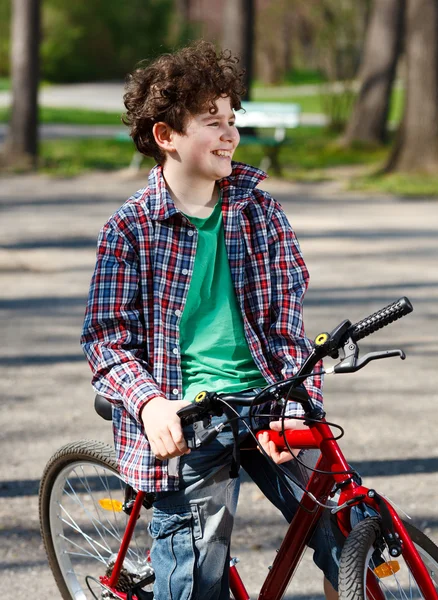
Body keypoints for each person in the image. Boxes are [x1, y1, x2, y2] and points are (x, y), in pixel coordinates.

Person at [81, 40, 340, 600]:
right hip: (186, 414)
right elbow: (106, 340)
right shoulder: (130, 229)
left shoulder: (258, 209)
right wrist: (150, 405)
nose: (229, 133)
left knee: (348, 531)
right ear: (166, 136)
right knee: (197, 576)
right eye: (210, 120)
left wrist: (295, 404)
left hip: (267, 400)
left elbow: (284, 327)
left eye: (232, 119)